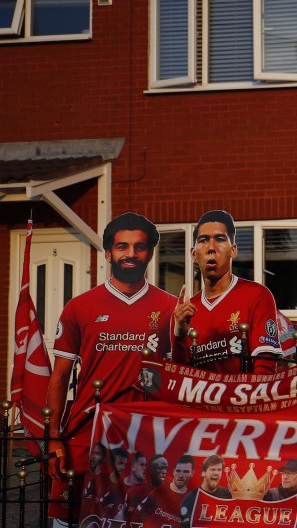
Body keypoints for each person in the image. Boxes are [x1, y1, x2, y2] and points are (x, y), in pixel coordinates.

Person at [46, 212, 176, 526]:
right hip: (85, 431)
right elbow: (61, 375)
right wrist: (54, 436)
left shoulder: (171, 308)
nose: (130, 254)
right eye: (122, 246)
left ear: (150, 253)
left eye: (139, 247)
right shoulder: (80, 306)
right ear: (108, 253)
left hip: (145, 435)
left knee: (139, 518)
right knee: (70, 517)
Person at [172, 210, 282, 374]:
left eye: (220, 239)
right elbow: (182, 377)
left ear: (233, 250)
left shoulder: (257, 295)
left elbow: (265, 371)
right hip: (203, 400)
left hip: (243, 398)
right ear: (193, 253)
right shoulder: (186, 311)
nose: (211, 247)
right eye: (203, 240)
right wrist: (179, 336)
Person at [135, 455, 194, 528]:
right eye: (178, 471)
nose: (181, 475)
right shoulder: (161, 487)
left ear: (192, 473)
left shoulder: (191, 500)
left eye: (186, 472)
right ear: (173, 471)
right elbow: (138, 514)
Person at [180, 455, 233, 528]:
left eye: (219, 470)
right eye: (213, 469)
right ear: (203, 473)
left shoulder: (229, 495)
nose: (216, 473)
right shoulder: (191, 500)